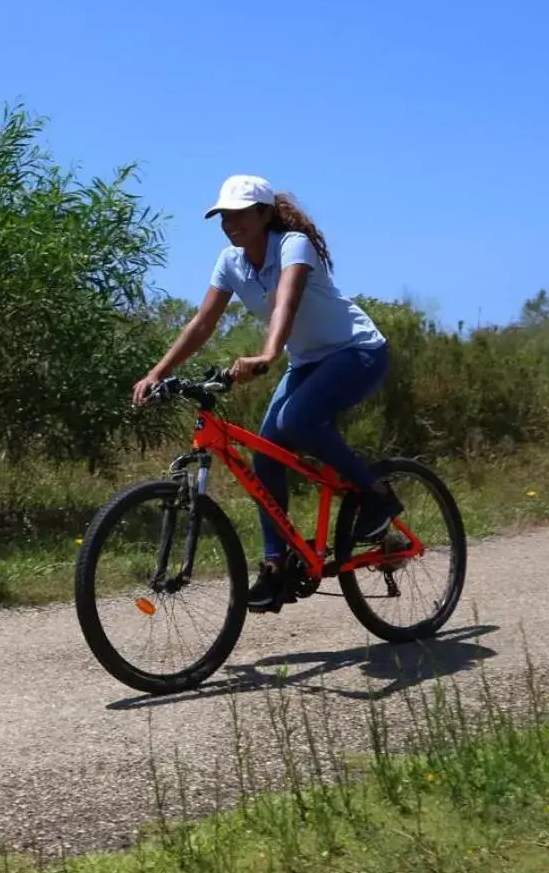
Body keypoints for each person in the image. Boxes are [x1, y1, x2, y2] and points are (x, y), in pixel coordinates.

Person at [131, 174, 400, 612]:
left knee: (297, 421)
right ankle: (276, 566)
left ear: (264, 214)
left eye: (239, 213)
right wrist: (157, 372)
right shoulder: (230, 262)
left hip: (357, 352)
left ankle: (377, 494)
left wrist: (267, 354)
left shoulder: (293, 244)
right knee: (267, 452)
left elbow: (286, 303)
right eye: (223, 215)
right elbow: (202, 322)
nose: (230, 222)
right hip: (308, 362)